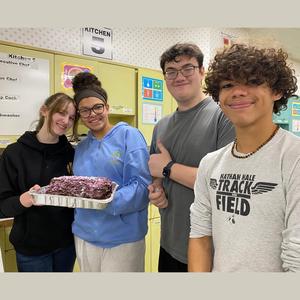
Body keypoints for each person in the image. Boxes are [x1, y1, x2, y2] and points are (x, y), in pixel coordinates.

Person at [189, 43, 300, 272]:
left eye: (252, 81)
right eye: (228, 84)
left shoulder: (293, 157)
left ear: (276, 91)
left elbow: (296, 257)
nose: (238, 91)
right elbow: (200, 235)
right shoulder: (210, 163)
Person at [148, 43, 235, 272]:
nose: (179, 77)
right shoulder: (161, 126)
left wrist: (168, 168)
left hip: (210, 250)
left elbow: (224, 184)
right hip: (169, 242)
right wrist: (156, 190)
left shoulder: (223, 117)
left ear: (202, 71)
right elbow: (156, 174)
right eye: (171, 71)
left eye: (188, 68)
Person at [71, 72, 151, 272]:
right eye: (85, 110)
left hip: (122, 237)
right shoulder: (81, 147)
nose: (93, 114)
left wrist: (103, 201)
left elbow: (142, 187)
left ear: (107, 107)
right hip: (84, 234)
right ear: (79, 115)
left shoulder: (128, 136)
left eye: (98, 107)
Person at [0, 92, 76, 272]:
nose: (66, 121)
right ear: (44, 111)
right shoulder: (14, 153)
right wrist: (24, 200)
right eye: (61, 113)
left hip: (67, 244)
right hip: (32, 249)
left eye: (72, 117)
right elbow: (2, 204)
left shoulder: (71, 153)